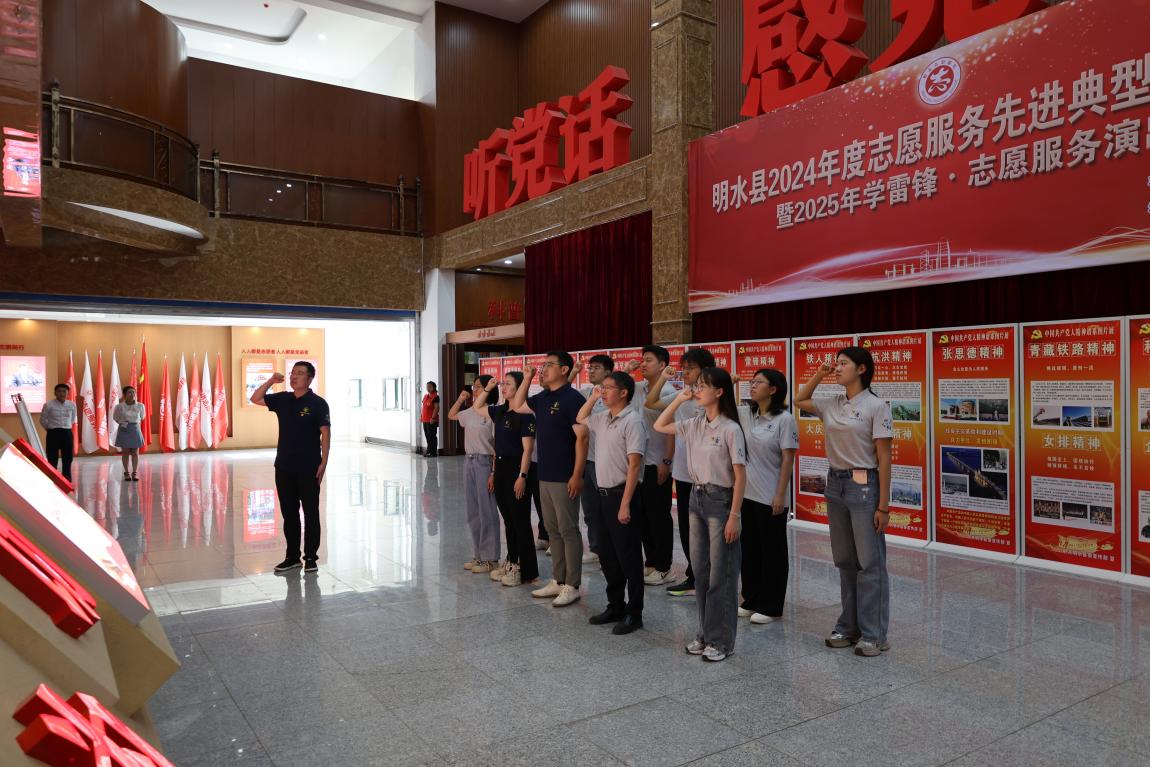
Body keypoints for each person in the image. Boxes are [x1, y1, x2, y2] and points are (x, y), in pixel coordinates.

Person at [794, 347, 893, 658]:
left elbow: (885, 458)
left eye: (842, 364)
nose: (836, 368)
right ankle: (848, 627)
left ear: (861, 369)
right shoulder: (833, 403)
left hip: (865, 487)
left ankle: (874, 634)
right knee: (845, 561)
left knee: (869, 564)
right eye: (835, 364)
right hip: (835, 485)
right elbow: (799, 400)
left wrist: (884, 506)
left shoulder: (876, 406)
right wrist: (819, 374)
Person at [654, 367, 746, 662]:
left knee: (722, 575)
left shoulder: (730, 428)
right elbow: (659, 424)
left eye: (703, 386)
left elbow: (740, 476)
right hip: (696, 498)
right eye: (697, 386)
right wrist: (679, 399)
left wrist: (735, 515)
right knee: (702, 573)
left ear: (719, 392)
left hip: (721, 500)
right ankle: (706, 633)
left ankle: (722, 641)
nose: (697, 390)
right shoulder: (694, 423)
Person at [509, 351, 587, 608]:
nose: (544, 369)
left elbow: (582, 438)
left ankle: (572, 585)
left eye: (549, 365)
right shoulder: (543, 398)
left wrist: (577, 474)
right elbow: (518, 405)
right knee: (552, 529)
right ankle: (558, 579)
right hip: (545, 474)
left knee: (568, 529)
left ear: (564, 370)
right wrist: (527, 377)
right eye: (543, 365)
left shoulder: (573, 398)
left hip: (565, 475)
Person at [576, 371, 646, 634]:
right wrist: (594, 397)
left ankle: (635, 614)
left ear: (624, 392)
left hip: (622, 495)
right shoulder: (603, 418)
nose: (603, 391)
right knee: (607, 554)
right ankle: (616, 605)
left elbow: (634, 465)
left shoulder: (633, 420)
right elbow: (580, 417)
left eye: (608, 388)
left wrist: (625, 504)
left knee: (629, 557)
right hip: (601, 495)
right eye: (601, 387)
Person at [646, 347, 715, 597]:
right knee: (687, 528)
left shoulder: (714, 397)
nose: (685, 372)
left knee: (708, 531)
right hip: (684, 473)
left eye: (690, 368)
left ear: (705, 370)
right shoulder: (682, 395)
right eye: (683, 368)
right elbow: (651, 403)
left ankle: (709, 579)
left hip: (709, 476)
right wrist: (664, 378)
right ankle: (694, 576)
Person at [251, 362, 331, 575]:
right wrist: (270, 381)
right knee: (289, 514)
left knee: (311, 513)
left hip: (309, 467)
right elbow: (255, 398)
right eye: (292, 373)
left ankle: (311, 558)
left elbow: (325, 434)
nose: (294, 376)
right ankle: (292, 557)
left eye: (300, 373)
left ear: (310, 378)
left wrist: (324, 462)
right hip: (284, 467)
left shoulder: (318, 403)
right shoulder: (283, 399)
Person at [736, 368, 798, 625]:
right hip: (747, 494)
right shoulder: (747, 414)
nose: (752, 385)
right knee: (749, 549)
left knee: (772, 552)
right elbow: (724, 407)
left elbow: (788, 459)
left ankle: (771, 606)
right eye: (752, 381)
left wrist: (780, 495)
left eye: (758, 382)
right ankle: (751, 598)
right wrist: (730, 384)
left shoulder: (785, 419)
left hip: (770, 495)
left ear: (773, 389)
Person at [473, 373, 539, 587]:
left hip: (517, 469)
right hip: (500, 467)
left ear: (520, 388)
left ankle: (526, 570)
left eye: (508, 384)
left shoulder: (526, 415)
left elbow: (528, 450)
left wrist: (522, 476)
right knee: (509, 521)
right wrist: (488, 388)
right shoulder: (500, 411)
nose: (504, 387)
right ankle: (511, 561)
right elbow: (477, 407)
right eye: (503, 383)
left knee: (520, 521)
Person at [627, 346, 678, 586]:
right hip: (639, 462)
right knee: (642, 515)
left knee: (659, 516)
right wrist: (627, 370)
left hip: (657, 462)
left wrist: (666, 461)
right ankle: (651, 562)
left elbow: (671, 431)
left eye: (648, 360)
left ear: (663, 365)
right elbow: (616, 386)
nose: (643, 364)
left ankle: (664, 567)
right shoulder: (638, 388)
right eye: (642, 360)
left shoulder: (669, 391)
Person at [449, 376, 501, 574]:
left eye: (478, 387)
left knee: (487, 510)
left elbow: (497, 445)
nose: (475, 390)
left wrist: (494, 472)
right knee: (473, 511)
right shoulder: (471, 411)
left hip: (485, 462)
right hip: (469, 461)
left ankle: (491, 558)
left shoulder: (492, 413)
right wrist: (460, 399)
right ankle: (479, 554)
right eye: (474, 387)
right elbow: (451, 415)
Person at [572, 354, 615, 564]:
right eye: (590, 368)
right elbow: (564, 390)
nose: (591, 371)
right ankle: (596, 549)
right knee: (590, 509)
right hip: (588, 460)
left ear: (608, 371)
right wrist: (574, 371)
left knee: (608, 508)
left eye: (596, 368)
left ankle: (611, 549)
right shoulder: (586, 393)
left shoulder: (614, 396)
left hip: (607, 461)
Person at [40, 383, 77, 481]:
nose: (61, 393)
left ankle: (67, 478)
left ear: (67, 393)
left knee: (68, 457)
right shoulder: (48, 405)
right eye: (59, 391)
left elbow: (73, 419)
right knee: (52, 457)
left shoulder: (72, 405)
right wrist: (50, 429)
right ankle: (52, 478)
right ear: (55, 393)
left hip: (67, 433)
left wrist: (66, 427)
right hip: (53, 433)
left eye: (64, 391)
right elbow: (43, 420)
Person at [112, 386, 147, 482]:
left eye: (133, 392)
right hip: (124, 430)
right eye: (129, 392)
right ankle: (126, 472)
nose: (132, 394)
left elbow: (142, 417)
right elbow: (115, 417)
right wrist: (123, 423)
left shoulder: (140, 406)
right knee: (125, 452)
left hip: (135, 429)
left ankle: (134, 472)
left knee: (135, 452)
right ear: (124, 395)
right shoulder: (119, 406)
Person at [421, 381, 440, 457]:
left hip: (432, 420)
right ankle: (429, 451)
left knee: (432, 436)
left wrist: (433, 418)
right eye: (427, 387)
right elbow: (424, 407)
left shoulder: (435, 397)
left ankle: (433, 453)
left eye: (430, 387)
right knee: (427, 436)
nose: (428, 388)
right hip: (425, 419)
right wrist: (421, 417)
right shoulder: (426, 396)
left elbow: (437, 408)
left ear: (434, 387)